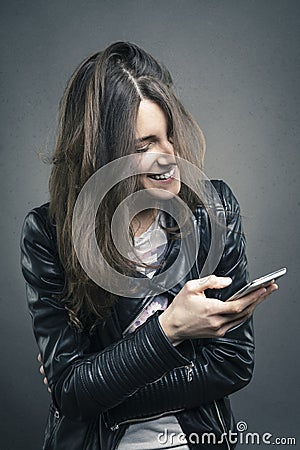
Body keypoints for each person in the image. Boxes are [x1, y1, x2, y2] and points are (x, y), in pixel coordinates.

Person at [20, 41, 278, 450]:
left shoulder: (213, 211)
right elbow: (73, 392)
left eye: (169, 136)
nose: (170, 156)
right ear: (100, 156)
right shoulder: (49, 233)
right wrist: (171, 329)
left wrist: (103, 389)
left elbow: (231, 364)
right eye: (145, 146)